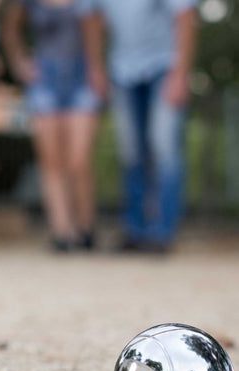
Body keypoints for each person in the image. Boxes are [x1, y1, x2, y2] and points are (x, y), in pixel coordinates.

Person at [81, 0, 198, 253]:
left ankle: (162, 232)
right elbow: (90, 19)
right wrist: (96, 67)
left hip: (164, 67)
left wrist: (180, 74)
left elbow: (186, 17)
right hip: (122, 70)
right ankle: (135, 230)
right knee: (130, 152)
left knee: (165, 149)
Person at [3, 0, 101, 252]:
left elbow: (96, 33)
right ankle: (63, 232)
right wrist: (19, 62)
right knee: (51, 160)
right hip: (45, 79)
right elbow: (10, 30)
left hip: (81, 77)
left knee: (78, 159)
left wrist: (97, 71)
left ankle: (85, 227)